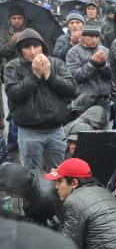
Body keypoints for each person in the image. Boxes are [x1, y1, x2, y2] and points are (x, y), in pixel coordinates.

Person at [4, 28, 77, 173]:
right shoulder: (13, 67)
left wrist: (49, 75)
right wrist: (35, 76)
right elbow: (13, 93)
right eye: (27, 47)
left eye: (36, 46)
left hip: (56, 130)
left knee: (58, 174)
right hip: (29, 131)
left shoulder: (56, 63)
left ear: (42, 46)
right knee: (31, 176)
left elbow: (72, 89)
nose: (32, 51)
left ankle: (55, 197)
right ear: (20, 50)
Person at [45, 158, 116, 249]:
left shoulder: (73, 201)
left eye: (60, 181)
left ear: (74, 183)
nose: (56, 186)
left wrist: (55, 233)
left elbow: (68, 245)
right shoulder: (103, 190)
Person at [66, 23, 111, 113]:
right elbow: (76, 76)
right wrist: (92, 64)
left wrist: (102, 65)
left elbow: (111, 75)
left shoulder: (105, 50)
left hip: (103, 100)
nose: (94, 40)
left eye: (97, 37)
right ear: (83, 37)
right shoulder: (73, 52)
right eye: (90, 36)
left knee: (105, 126)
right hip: (84, 101)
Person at [0, 4, 27, 154]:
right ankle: (13, 140)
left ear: (23, 20)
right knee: (13, 108)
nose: (17, 21)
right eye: (14, 18)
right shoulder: (3, 33)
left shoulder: (30, 32)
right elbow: (1, 51)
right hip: (10, 76)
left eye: (19, 18)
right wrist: (13, 42)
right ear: (10, 20)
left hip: (28, 74)